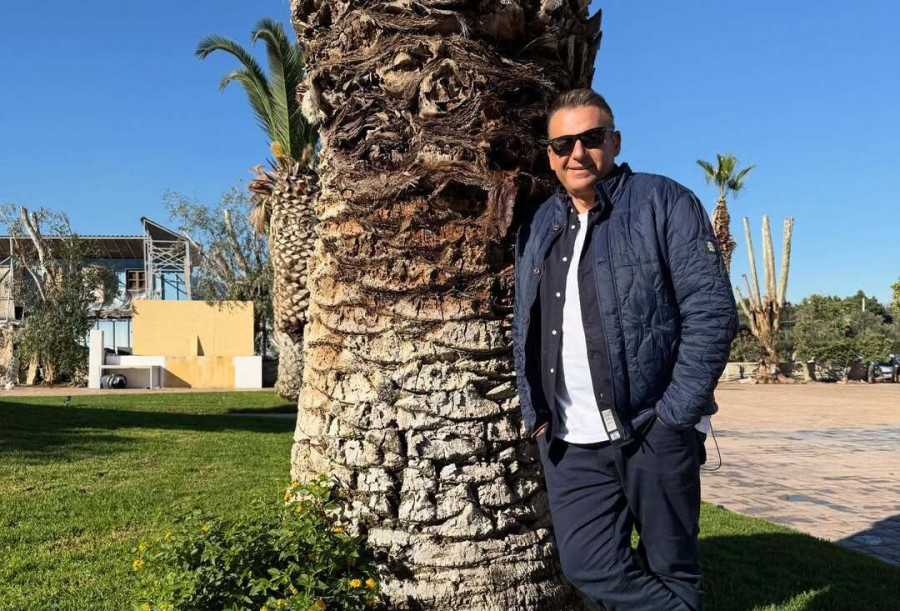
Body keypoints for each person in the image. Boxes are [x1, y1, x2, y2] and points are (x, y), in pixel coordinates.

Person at [512, 89, 738, 610]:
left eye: (591, 138)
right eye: (563, 143)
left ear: (614, 141)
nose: (577, 153)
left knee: (671, 566)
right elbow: (523, 323)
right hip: (569, 438)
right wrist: (535, 414)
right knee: (588, 565)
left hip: (652, 427)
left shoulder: (663, 201)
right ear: (550, 154)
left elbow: (712, 312)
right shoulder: (540, 225)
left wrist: (675, 414)